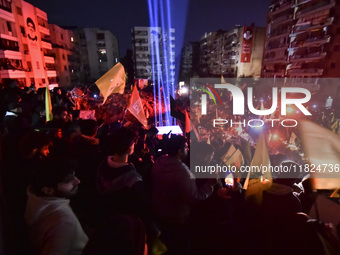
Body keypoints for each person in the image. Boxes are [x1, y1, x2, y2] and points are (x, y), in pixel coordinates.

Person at [151, 135, 218, 254]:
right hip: (178, 218)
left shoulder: (158, 162)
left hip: (160, 215)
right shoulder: (182, 171)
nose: (187, 150)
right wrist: (210, 185)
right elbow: (194, 197)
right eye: (186, 148)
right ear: (180, 151)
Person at [25, 157, 88, 255]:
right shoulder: (64, 222)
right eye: (68, 180)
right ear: (48, 190)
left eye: (73, 175)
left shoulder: (33, 196)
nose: (77, 181)